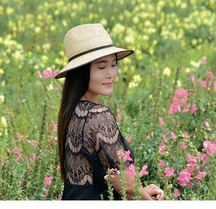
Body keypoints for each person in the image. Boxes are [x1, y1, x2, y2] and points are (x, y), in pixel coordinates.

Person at [55, 24, 165, 201]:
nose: (111, 74)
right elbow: (125, 183)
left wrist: (143, 190)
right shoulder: (98, 115)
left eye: (113, 64)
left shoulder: (72, 112)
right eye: (101, 67)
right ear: (81, 72)